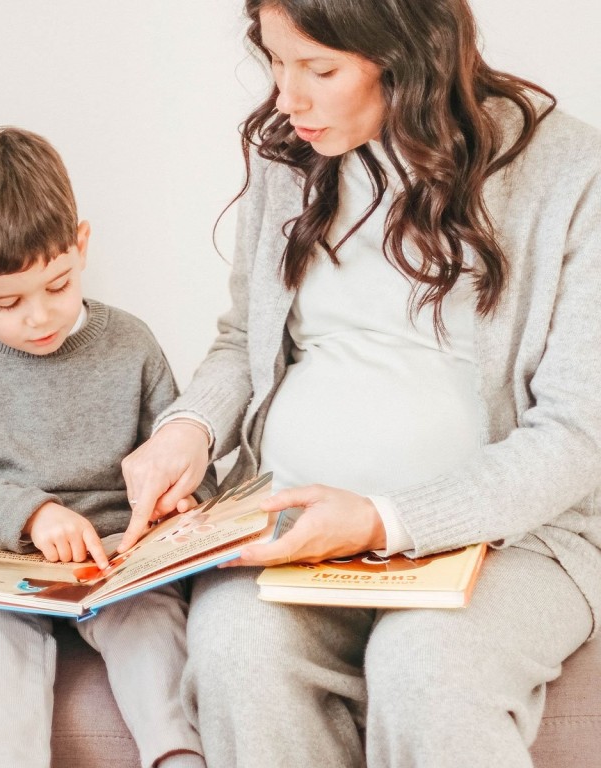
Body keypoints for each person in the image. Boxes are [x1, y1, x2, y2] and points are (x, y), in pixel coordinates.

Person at [119, 1, 601, 765]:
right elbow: (245, 338)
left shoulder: (571, 172)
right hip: (287, 523)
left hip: (513, 541)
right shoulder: (292, 157)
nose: (287, 98)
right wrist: (189, 430)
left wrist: (380, 521)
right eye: (276, 60)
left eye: (320, 68)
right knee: (237, 650)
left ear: (411, 58)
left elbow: (579, 434)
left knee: (426, 665)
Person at [0, 126, 212, 768]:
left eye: (58, 285)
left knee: (154, 633)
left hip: (119, 559)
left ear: (81, 245)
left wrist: (185, 499)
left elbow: (172, 445)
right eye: (7, 301)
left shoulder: (131, 342)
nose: (39, 317)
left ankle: (178, 755)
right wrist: (33, 515)